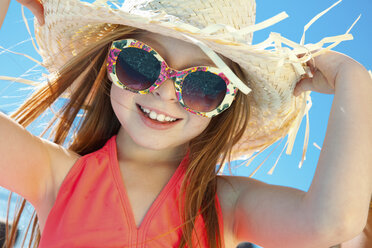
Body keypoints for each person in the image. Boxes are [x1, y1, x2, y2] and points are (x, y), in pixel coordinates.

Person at [0, 0, 371, 247]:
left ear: (224, 103)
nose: (165, 94)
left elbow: (332, 222)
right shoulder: (59, 175)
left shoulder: (225, 204)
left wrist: (353, 80)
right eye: (141, 64)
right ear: (110, 67)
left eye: (201, 86)